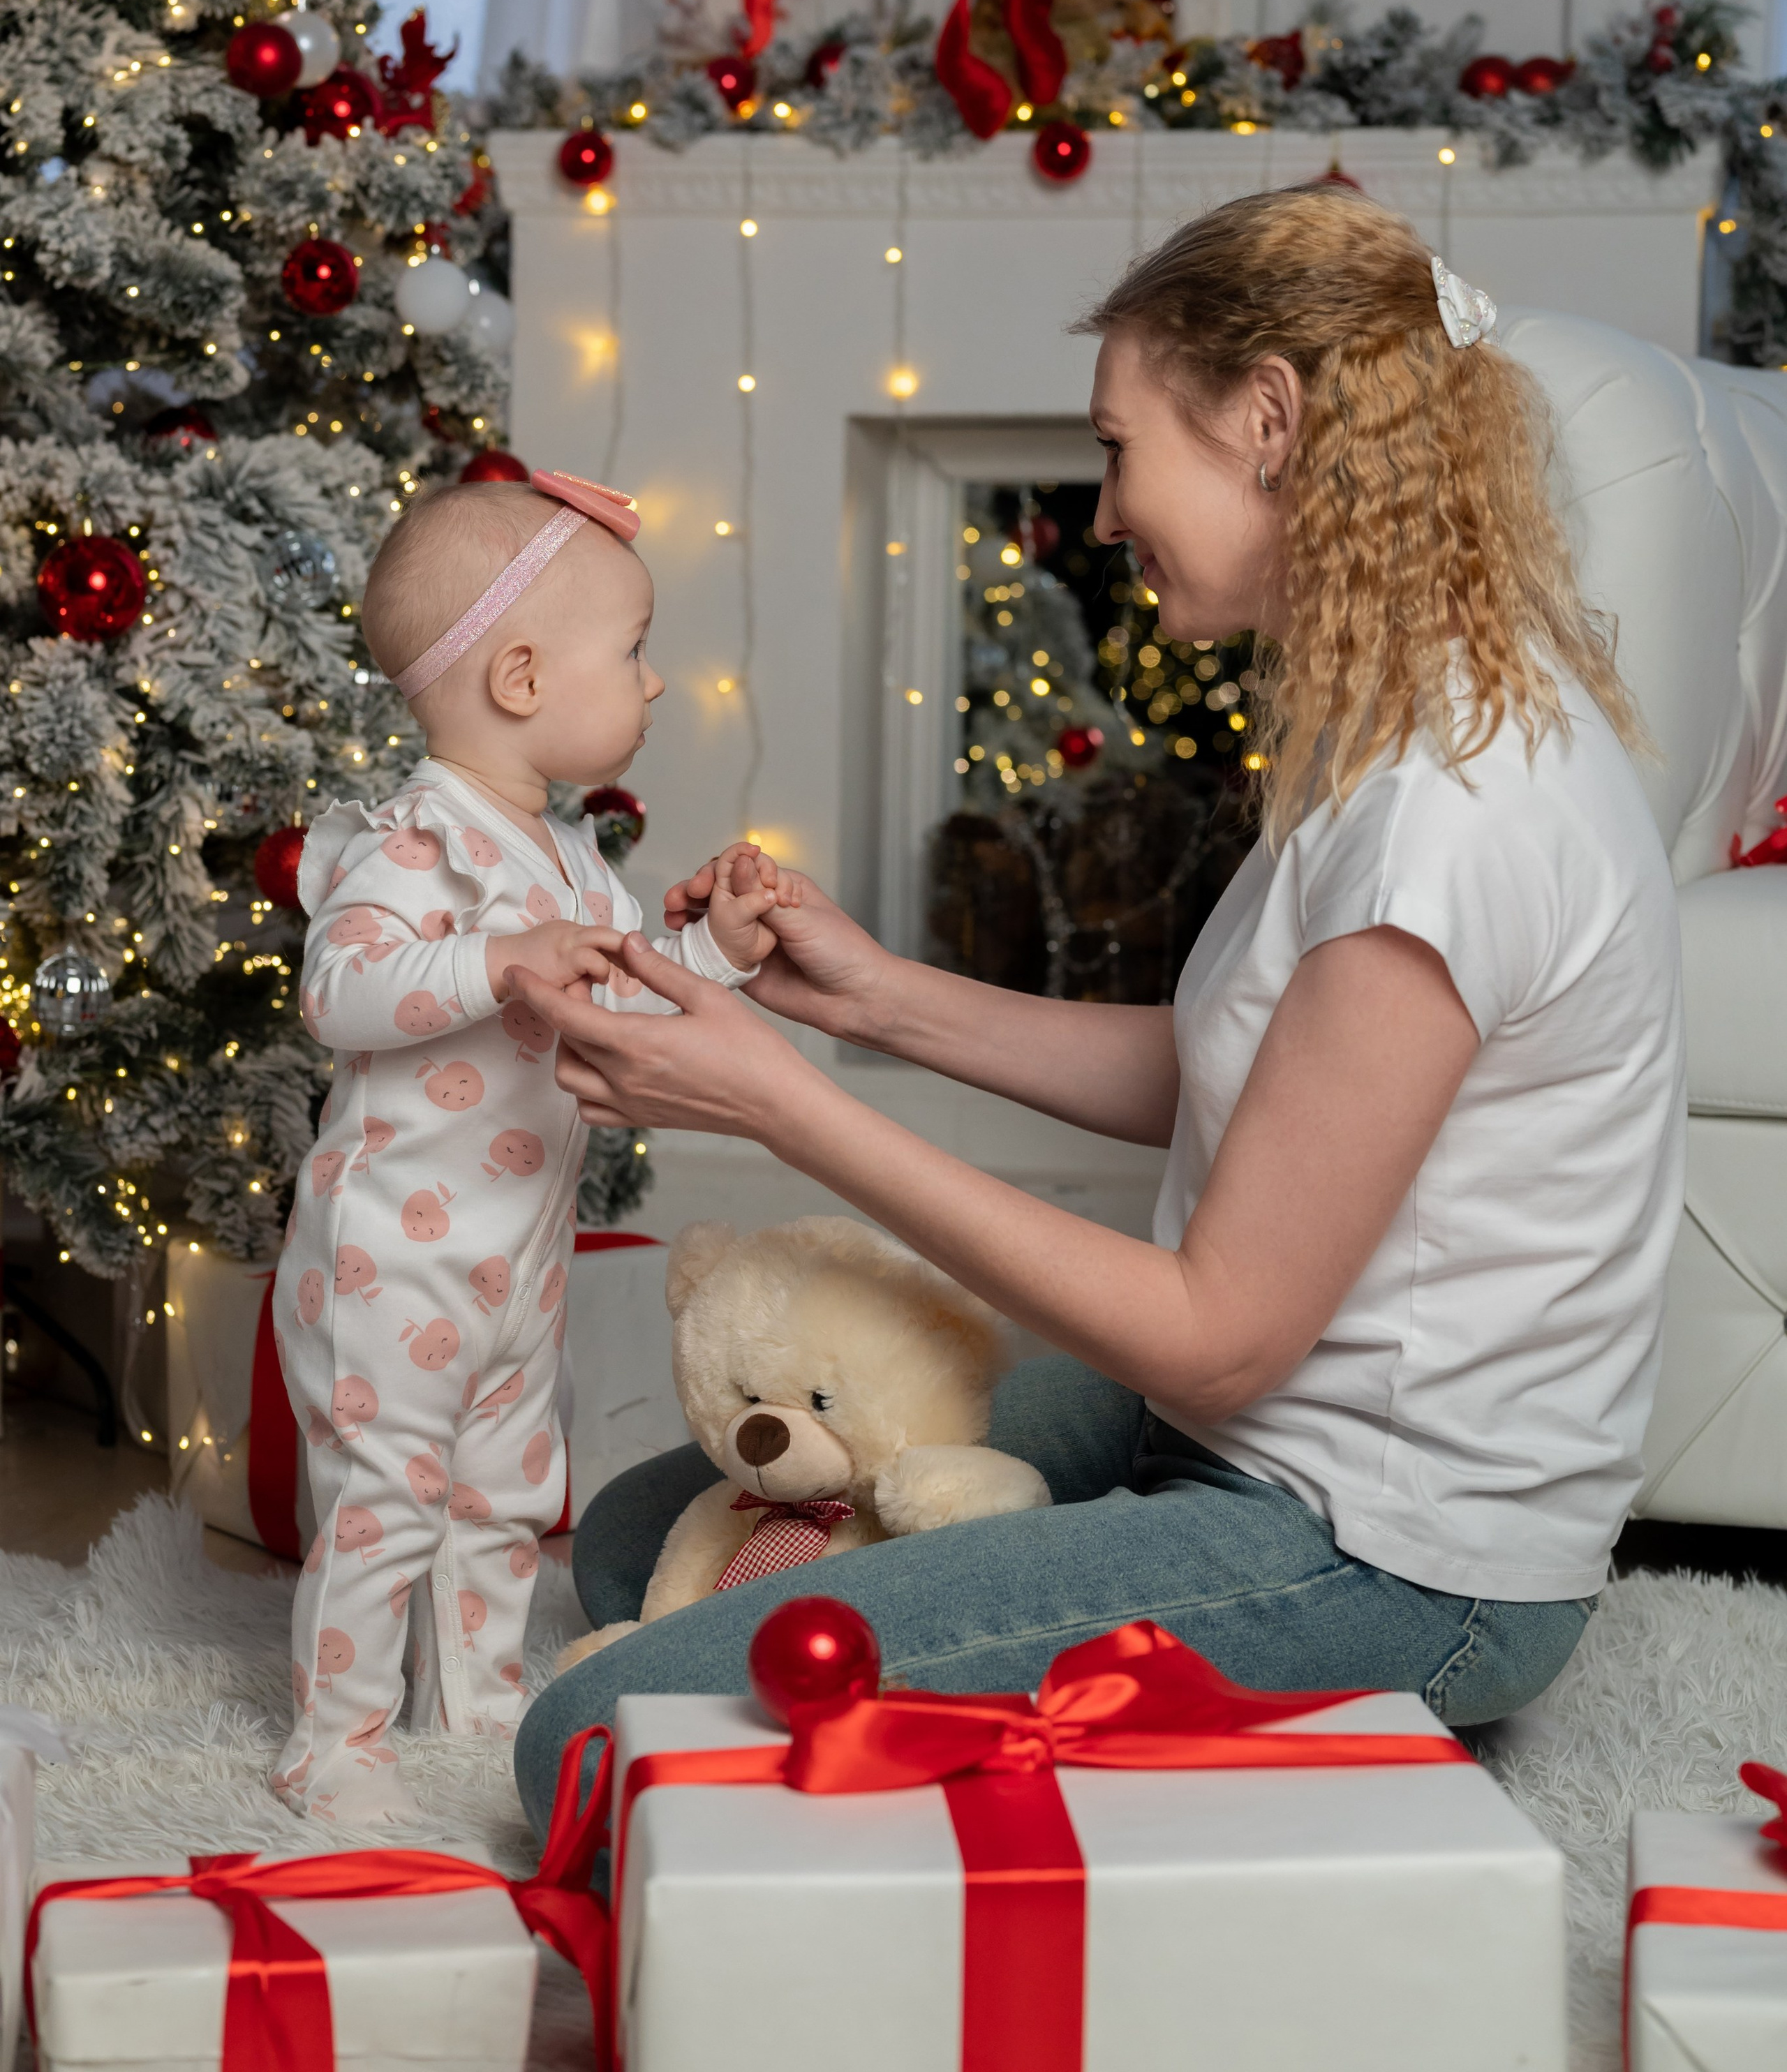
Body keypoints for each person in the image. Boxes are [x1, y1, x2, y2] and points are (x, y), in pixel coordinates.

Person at [510, 188, 1686, 1841]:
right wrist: (879, 999)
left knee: (584, 1737)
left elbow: (1221, 1325)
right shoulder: (1392, 718)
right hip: (1234, 1432)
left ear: (1266, 421)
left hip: (1389, 1548)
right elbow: (1240, 1084)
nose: (1107, 504)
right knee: (650, 1536)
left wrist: (781, 1099)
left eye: (1124, 445)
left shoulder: (1454, 808)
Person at [272, 467, 792, 1824]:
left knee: (502, 1496)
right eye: (631, 651)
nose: (654, 682)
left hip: (516, 1261)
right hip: (393, 1252)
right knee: (386, 1497)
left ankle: (480, 1699)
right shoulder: (413, 848)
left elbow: (613, 995)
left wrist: (706, 954)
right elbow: (342, 989)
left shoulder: (570, 862)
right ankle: (336, 1735)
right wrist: (497, 959)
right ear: (517, 677)